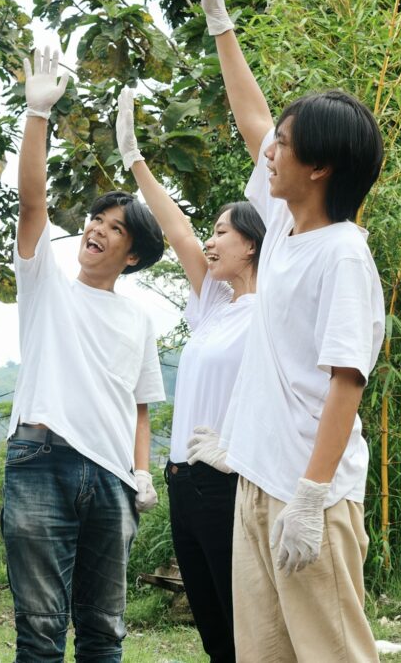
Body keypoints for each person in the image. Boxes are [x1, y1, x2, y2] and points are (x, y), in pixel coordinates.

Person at [198, 0, 386, 660]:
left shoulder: (342, 256)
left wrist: (309, 499)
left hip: (310, 496)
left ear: (320, 167)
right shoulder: (282, 225)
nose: (268, 151)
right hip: (255, 484)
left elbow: (346, 382)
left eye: (284, 144)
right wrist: (221, 24)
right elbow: (252, 116)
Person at [1, 47, 167, 662]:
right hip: (42, 458)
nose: (96, 228)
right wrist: (37, 114)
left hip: (113, 479)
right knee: (40, 631)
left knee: (104, 632)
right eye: (96, 218)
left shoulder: (137, 318)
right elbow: (32, 207)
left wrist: (141, 473)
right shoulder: (46, 286)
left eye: (115, 226)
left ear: (134, 254)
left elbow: (140, 406)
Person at [114, 87, 265, 663]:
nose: (209, 239)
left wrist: (243, 449)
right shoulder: (214, 306)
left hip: (232, 479)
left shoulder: (270, 310)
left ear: (252, 244)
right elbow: (177, 229)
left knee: (243, 621)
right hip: (185, 481)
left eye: (224, 231)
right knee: (211, 625)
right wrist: (135, 161)